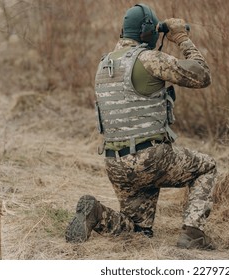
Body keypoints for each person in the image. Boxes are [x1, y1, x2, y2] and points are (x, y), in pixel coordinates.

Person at [65, 3, 217, 250]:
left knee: (137, 232)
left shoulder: (104, 64)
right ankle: (193, 233)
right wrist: (181, 38)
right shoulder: (149, 59)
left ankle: (96, 212)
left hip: (116, 162)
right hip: (151, 159)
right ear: (147, 32)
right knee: (206, 167)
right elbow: (202, 75)